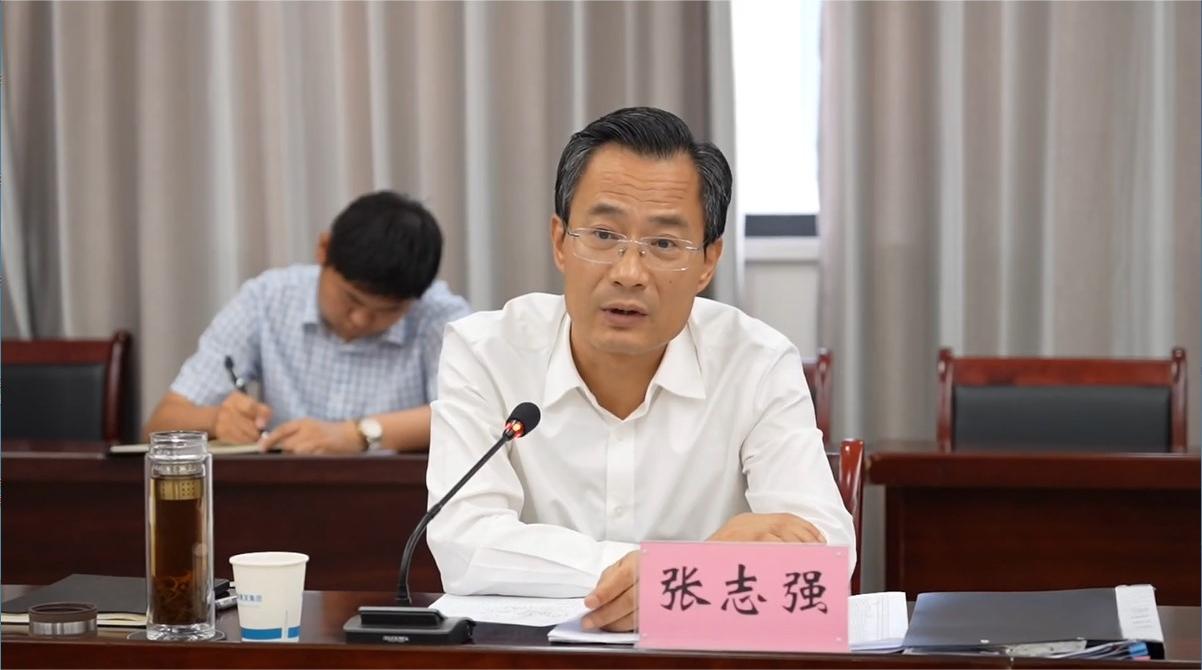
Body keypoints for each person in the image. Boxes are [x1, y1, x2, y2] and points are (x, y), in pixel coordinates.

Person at [425, 107, 855, 631]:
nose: (629, 273)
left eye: (664, 244)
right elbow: (464, 543)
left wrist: (665, 578)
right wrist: (684, 570)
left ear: (708, 262)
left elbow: (824, 552)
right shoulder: (485, 352)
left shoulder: (757, 363)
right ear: (560, 242)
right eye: (603, 235)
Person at [144, 191, 471, 454]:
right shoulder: (266, 299)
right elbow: (161, 423)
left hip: (401, 504)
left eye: (388, 310)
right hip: (280, 499)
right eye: (351, 299)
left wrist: (357, 435)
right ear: (323, 249)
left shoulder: (440, 315)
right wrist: (217, 420)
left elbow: (469, 417)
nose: (360, 319)